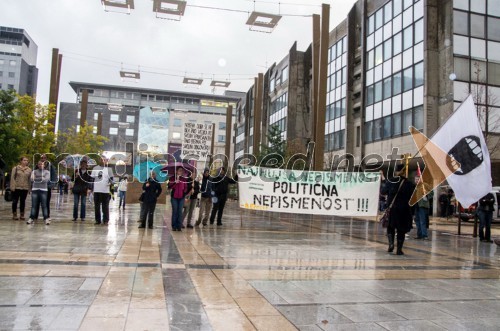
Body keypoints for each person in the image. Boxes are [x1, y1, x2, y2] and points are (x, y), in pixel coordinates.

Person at [381, 164, 415, 255]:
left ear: (396, 172)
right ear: (404, 172)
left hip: (392, 209)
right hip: (404, 210)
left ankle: (391, 244)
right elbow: (413, 198)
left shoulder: (391, 181)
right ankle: (399, 249)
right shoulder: (409, 184)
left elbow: (383, 192)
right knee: (401, 230)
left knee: (390, 227)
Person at [27, 160, 51, 225]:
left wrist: (37, 177)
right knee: (34, 205)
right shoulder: (34, 171)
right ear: (37, 165)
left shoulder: (47, 172)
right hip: (35, 189)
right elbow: (32, 179)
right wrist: (41, 178)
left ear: (44, 165)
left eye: (42, 164)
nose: (41, 165)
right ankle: (31, 218)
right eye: (39, 164)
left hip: (43, 190)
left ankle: (46, 218)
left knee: (44, 205)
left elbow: (46, 180)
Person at [91, 157, 114, 225]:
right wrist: (91, 189)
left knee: (105, 206)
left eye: (104, 160)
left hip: (105, 191)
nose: (103, 161)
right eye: (101, 159)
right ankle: (97, 220)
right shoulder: (95, 168)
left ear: (106, 161)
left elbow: (112, 180)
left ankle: (105, 220)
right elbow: (92, 179)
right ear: (99, 160)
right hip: (97, 190)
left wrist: (111, 183)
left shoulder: (109, 169)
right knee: (97, 206)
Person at [36, 154, 57, 219]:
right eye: (42, 158)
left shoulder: (50, 166)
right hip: (38, 186)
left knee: (46, 202)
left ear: (46, 158)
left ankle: (47, 215)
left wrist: (52, 185)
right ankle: (35, 215)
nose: (43, 159)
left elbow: (54, 175)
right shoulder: (37, 166)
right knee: (37, 202)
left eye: (44, 158)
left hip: (47, 187)